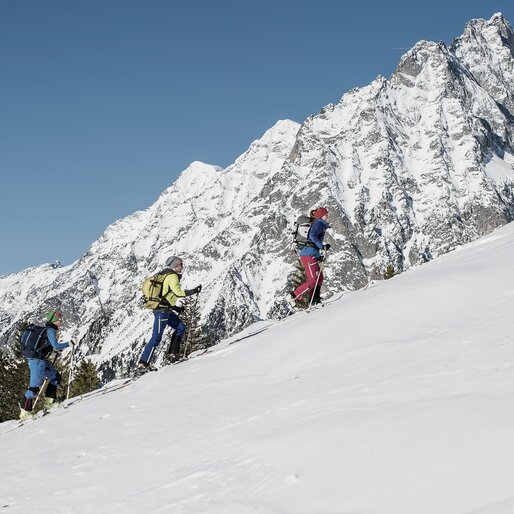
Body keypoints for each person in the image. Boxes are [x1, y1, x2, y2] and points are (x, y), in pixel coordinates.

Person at [138, 256, 202, 368]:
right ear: (175, 265)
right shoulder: (172, 276)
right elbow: (178, 293)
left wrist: (175, 308)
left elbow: (164, 294)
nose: (182, 267)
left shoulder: (164, 274)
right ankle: (143, 363)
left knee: (180, 327)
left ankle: (173, 354)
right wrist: (193, 291)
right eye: (181, 264)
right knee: (156, 337)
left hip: (165, 309)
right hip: (161, 311)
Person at [20, 311, 72, 420]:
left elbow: (45, 345)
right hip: (37, 362)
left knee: (55, 376)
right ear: (54, 321)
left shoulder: (45, 330)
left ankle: (49, 402)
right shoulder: (50, 331)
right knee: (34, 387)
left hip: (39, 360)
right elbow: (56, 345)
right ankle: (25, 412)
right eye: (59, 320)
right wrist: (70, 343)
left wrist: (54, 349)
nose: (61, 321)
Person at [290, 207, 331, 307]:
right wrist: (322, 246)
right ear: (321, 216)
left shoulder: (319, 224)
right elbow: (313, 236)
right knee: (313, 280)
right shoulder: (319, 223)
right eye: (326, 215)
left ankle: (315, 300)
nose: (327, 217)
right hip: (307, 256)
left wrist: (318, 257)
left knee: (319, 278)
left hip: (311, 254)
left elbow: (311, 244)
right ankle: (294, 296)